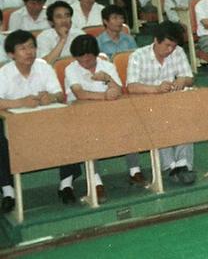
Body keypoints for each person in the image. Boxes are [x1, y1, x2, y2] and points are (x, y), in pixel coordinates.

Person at [0, 30, 79, 211]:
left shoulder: (43, 67)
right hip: (14, 125)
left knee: (72, 127)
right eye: (22, 48)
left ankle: (66, 185)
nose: (29, 52)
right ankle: (8, 192)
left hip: (45, 122)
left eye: (31, 47)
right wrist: (20, 102)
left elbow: (59, 95)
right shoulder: (4, 73)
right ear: (11, 54)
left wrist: (51, 98)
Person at [65, 35, 145, 195]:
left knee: (129, 123)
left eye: (89, 58)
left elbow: (118, 90)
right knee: (89, 132)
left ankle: (134, 170)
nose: (86, 62)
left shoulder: (106, 66)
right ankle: (95, 180)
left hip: (108, 112)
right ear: (76, 57)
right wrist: (105, 96)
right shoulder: (71, 68)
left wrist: (107, 79)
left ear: (95, 54)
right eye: (82, 59)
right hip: (82, 114)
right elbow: (79, 93)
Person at [127, 21, 196, 185]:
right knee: (158, 121)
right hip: (146, 105)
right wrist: (156, 89)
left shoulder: (177, 52)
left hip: (171, 103)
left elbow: (189, 78)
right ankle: (170, 166)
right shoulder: (138, 56)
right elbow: (132, 86)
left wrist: (182, 80)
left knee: (186, 116)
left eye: (173, 46)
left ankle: (183, 164)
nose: (170, 50)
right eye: (167, 45)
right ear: (156, 40)